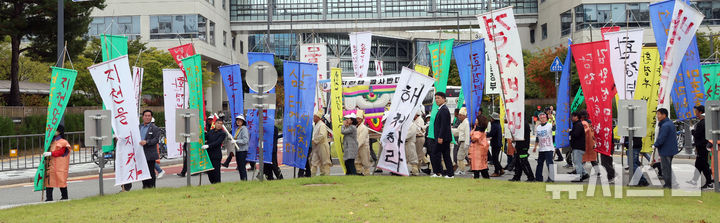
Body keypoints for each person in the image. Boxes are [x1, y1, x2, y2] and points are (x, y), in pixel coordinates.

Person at [43, 125, 71, 201]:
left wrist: (51, 153)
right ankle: (49, 198)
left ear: (59, 131)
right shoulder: (51, 142)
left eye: (55, 130)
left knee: (61, 181)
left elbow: (61, 152)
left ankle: (64, 197)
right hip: (51, 165)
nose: (53, 131)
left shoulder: (63, 142)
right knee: (49, 182)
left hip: (60, 166)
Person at [430, 92, 454, 178]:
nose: (436, 100)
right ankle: (442, 173)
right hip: (443, 137)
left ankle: (441, 173)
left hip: (443, 138)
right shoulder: (441, 109)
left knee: (435, 154)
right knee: (444, 155)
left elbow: (444, 125)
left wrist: (440, 137)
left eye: (438, 98)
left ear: (444, 99)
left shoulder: (444, 109)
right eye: (435, 98)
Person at [689, 105, 714, 190]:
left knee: (704, 165)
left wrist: (692, 130)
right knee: (698, 164)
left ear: (700, 112)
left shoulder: (701, 123)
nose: (695, 113)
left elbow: (696, 135)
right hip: (703, 146)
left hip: (702, 147)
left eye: (696, 111)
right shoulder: (705, 122)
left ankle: (709, 183)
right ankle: (694, 180)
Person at [654, 108, 678, 189]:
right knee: (668, 167)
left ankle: (668, 185)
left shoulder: (665, 125)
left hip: (666, 149)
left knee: (666, 168)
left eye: (659, 114)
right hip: (669, 149)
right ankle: (672, 183)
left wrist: (656, 144)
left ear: (664, 115)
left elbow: (661, 138)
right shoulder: (668, 123)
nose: (657, 116)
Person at [139, 110, 162, 189]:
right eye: (146, 115)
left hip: (150, 153)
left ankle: (152, 187)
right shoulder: (139, 127)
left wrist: (147, 142)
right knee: (143, 171)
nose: (147, 117)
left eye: (149, 116)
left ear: (151, 117)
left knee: (150, 171)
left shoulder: (155, 128)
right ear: (143, 117)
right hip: (140, 153)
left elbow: (156, 140)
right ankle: (145, 186)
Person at [533, 113, 555, 182]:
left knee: (549, 163)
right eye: (541, 118)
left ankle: (551, 178)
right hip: (541, 149)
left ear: (546, 118)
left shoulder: (549, 125)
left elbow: (554, 128)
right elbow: (537, 138)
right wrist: (535, 147)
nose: (542, 119)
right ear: (539, 119)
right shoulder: (538, 127)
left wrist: (552, 119)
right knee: (539, 163)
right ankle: (538, 178)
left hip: (549, 148)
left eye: (544, 118)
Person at [204, 118, 227, 184]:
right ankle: (212, 184)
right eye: (218, 123)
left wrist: (208, 145)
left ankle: (218, 185)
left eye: (221, 124)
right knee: (209, 172)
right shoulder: (211, 131)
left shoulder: (222, 133)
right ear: (215, 123)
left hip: (216, 155)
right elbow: (206, 137)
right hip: (209, 154)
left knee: (216, 172)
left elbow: (217, 142)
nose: (219, 125)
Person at [229, 115, 250, 181]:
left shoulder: (244, 129)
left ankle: (244, 180)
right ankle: (242, 180)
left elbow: (245, 140)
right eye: (237, 120)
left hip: (243, 150)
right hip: (238, 150)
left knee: (242, 167)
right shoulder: (237, 129)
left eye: (240, 120)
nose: (238, 122)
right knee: (240, 167)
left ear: (243, 121)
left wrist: (236, 141)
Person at [311, 110, 332, 176]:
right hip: (316, 146)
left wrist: (315, 140)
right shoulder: (315, 125)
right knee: (314, 162)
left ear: (318, 118)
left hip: (322, 145)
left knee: (325, 162)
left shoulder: (322, 125)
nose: (313, 118)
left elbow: (322, 135)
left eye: (314, 117)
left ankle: (325, 175)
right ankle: (313, 175)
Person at [579, 112, 599, 181]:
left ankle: (579, 172)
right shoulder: (590, 124)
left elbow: (583, 132)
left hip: (586, 143)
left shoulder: (584, 123)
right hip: (592, 143)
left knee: (582, 159)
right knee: (592, 159)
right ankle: (598, 172)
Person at [569, 111, 587, 182]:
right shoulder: (577, 124)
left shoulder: (578, 125)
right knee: (576, 162)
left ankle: (578, 177)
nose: (571, 117)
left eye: (573, 116)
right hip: (577, 147)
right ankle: (584, 174)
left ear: (576, 117)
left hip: (578, 147)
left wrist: (570, 132)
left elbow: (576, 134)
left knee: (577, 163)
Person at [453, 107, 470, 175]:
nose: (458, 116)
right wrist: (449, 130)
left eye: (460, 115)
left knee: (470, 158)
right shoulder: (462, 122)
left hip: (466, 143)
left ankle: (476, 171)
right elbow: (457, 131)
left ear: (464, 115)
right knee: (459, 157)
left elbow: (467, 134)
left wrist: (467, 144)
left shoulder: (466, 123)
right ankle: (462, 170)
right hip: (462, 143)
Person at [355, 111, 372, 176]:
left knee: (365, 162)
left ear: (362, 119)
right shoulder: (356, 127)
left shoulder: (364, 128)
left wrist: (356, 147)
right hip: (358, 147)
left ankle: (367, 174)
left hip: (363, 147)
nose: (358, 120)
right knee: (358, 161)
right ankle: (359, 173)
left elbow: (361, 140)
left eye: (359, 119)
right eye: (357, 119)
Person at [487, 113, 504, 177]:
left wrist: (485, 134)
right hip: (498, 143)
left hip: (495, 144)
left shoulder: (494, 125)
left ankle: (497, 171)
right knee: (495, 158)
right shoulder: (498, 124)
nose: (490, 119)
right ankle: (501, 169)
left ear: (493, 119)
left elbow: (491, 134)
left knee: (495, 159)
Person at [404, 111, 420, 176]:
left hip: (410, 142)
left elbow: (410, 133)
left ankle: (415, 171)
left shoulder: (412, 124)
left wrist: (402, 137)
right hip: (403, 143)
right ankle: (403, 171)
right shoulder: (403, 124)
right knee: (404, 158)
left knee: (412, 157)